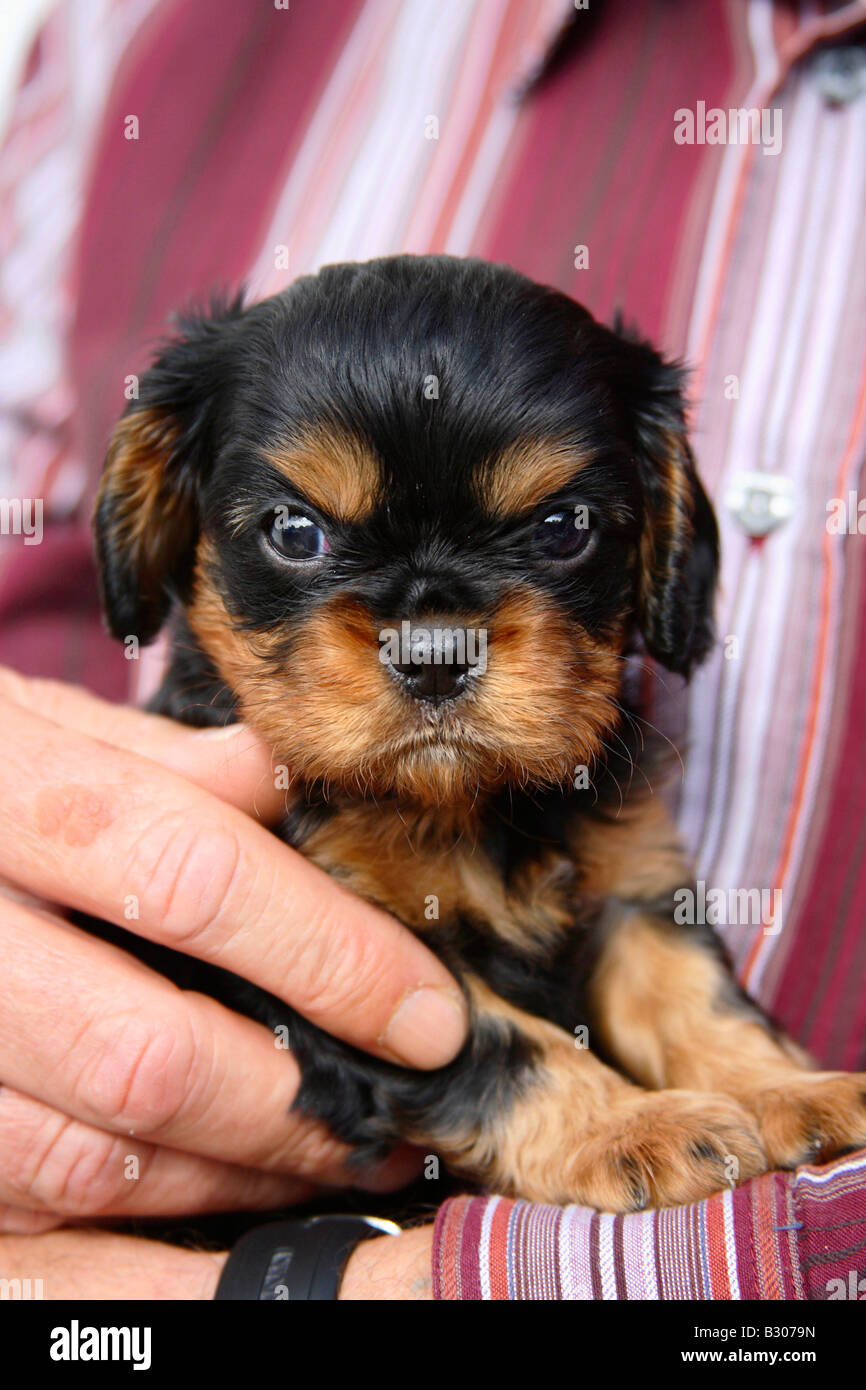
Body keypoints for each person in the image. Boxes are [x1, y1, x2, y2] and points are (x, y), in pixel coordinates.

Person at [1, 0, 865, 1299]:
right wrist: (563, 1110)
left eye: (557, 528)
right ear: (164, 530)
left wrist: (745, 1079)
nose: (430, 634)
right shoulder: (128, 33)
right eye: (296, 533)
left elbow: (644, 931)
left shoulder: (600, 782)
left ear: (655, 544)